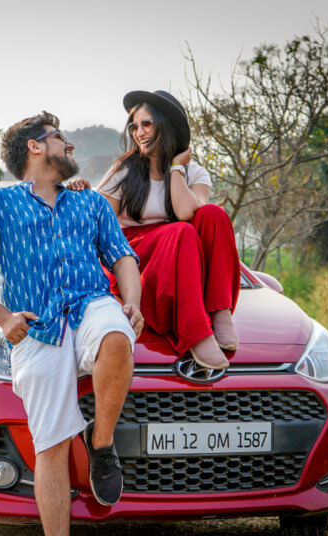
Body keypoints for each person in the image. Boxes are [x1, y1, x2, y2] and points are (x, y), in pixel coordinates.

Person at [0, 111, 143, 536]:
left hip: (89, 303)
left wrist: (130, 299)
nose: (69, 148)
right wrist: (3, 318)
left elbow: (122, 257)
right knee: (50, 444)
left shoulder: (90, 203)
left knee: (117, 336)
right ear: (36, 147)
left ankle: (101, 445)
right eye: (61, 140)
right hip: (37, 328)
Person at [81, 90, 240, 369]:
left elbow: (187, 212)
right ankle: (195, 333)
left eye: (146, 124)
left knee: (212, 214)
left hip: (182, 260)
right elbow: (98, 227)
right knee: (181, 232)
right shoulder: (124, 171)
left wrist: (177, 168)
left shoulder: (195, 172)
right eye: (134, 126)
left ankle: (220, 311)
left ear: (165, 125)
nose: (138, 132)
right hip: (135, 258)